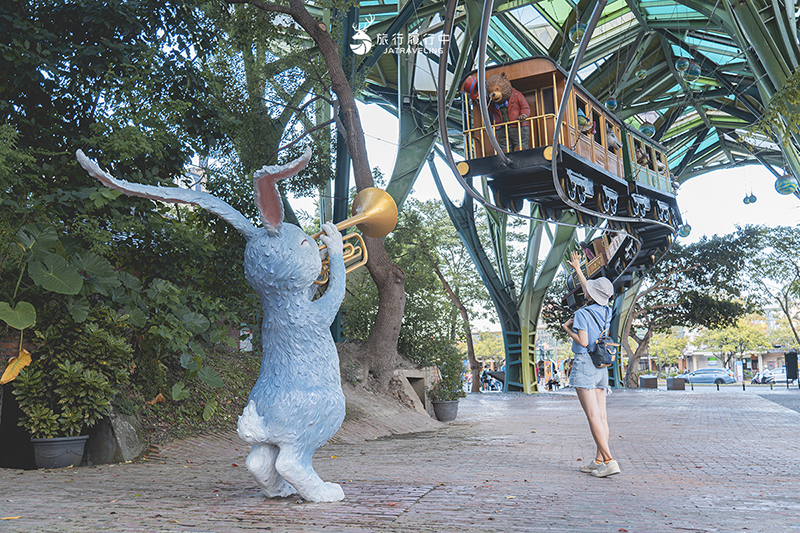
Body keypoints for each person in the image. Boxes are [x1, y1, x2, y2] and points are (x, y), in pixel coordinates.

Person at [562, 250, 619, 478]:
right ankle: (598, 460)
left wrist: (567, 328)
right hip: (601, 365)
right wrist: (578, 269)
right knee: (602, 417)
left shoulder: (582, 313)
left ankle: (609, 460)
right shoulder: (606, 310)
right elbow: (590, 292)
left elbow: (583, 342)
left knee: (593, 417)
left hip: (585, 364)